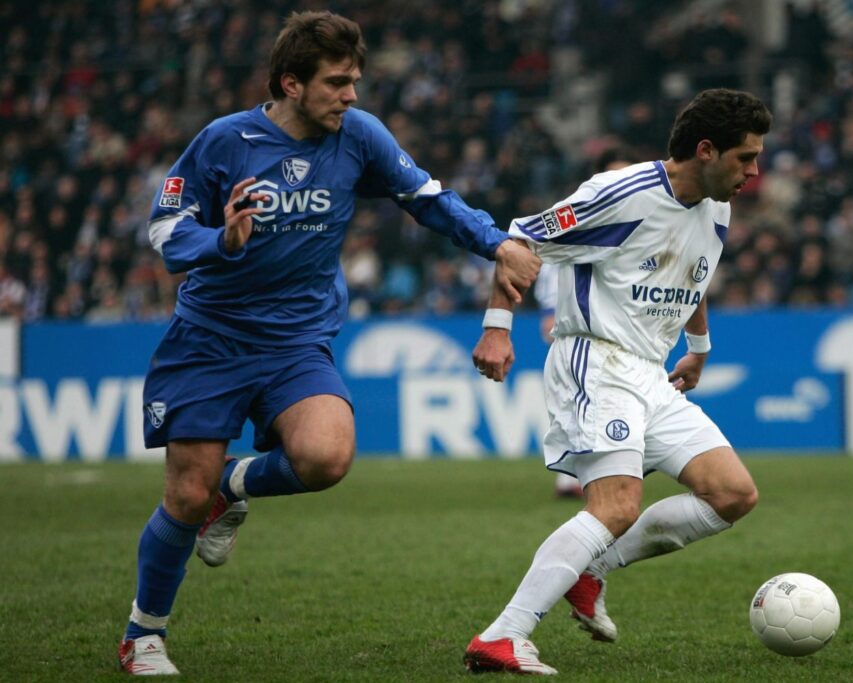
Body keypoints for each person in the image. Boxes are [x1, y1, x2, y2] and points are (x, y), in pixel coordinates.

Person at [118, 11, 539, 676]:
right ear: (291, 83)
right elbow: (164, 233)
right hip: (209, 339)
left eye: (355, 82)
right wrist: (220, 241)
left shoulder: (359, 137)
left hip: (296, 340)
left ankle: (234, 483)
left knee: (326, 456)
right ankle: (143, 634)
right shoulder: (224, 142)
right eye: (337, 83)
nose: (351, 95)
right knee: (183, 495)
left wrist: (498, 242)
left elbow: (428, 198)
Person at [464, 88, 772, 675]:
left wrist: (699, 348)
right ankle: (503, 635)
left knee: (733, 494)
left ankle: (590, 570)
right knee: (617, 505)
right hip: (596, 360)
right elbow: (520, 239)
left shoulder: (717, 206)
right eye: (745, 158)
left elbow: (692, 274)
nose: (753, 173)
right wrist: (496, 328)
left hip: (650, 373)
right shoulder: (620, 194)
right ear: (706, 150)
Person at [539, 147, 639, 499]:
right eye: (614, 174)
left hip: (633, 329)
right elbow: (548, 256)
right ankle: (574, 474)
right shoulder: (580, 214)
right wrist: (550, 309)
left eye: (628, 174)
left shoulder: (645, 215)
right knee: (581, 393)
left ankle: (609, 468)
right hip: (585, 325)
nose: (623, 183)